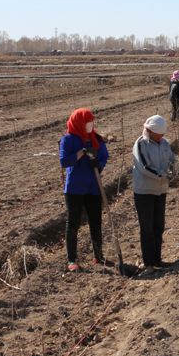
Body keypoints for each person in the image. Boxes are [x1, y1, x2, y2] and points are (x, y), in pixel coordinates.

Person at [59, 108, 110, 272]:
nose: (91, 125)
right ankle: (71, 260)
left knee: (95, 221)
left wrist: (99, 164)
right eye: (87, 122)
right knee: (73, 223)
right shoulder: (68, 140)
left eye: (92, 122)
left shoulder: (95, 138)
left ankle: (98, 255)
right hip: (75, 188)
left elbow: (104, 156)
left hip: (93, 186)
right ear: (79, 123)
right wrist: (81, 153)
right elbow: (64, 161)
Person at [131, 115, 178, 274]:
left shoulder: (164, 143)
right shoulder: (140, 144)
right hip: (144, 191)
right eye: (159, 134)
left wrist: (176, 170)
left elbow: (172, 159)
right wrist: (162, 175)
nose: (162, 137)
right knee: (147, 228)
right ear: (150, 131)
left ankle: (157, 261)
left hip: (160, 191)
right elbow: (144, 167)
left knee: (159, 226)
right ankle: (148, 263)